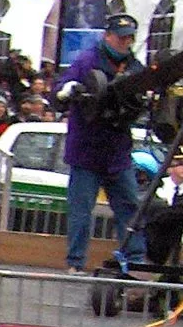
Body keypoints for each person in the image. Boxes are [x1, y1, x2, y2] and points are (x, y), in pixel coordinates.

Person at [55, 14, 147, 273]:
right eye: (121, 37)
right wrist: (68, 90)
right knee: (81, 210)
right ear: (107, 36)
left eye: (130, 38)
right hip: (87, 150)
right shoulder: (87, 61)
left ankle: (135, 259)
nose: (126, 42)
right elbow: (59, 91)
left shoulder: (134, 66)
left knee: (129, 206)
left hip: (117, 150)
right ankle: (75, 262)